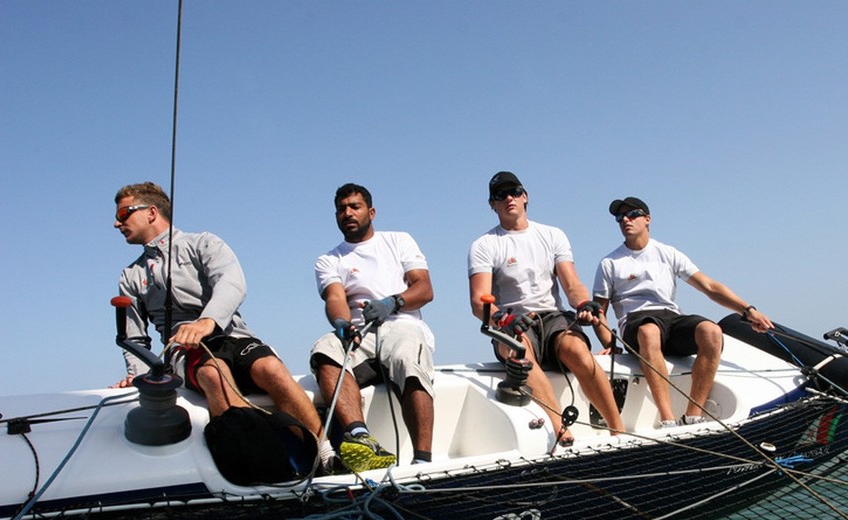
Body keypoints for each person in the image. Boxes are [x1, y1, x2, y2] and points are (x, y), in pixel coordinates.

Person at [111, 181, 335, 469]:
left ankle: (325, 454)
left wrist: (208, 321)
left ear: (151, 212)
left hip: (231, 334)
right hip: (184, 349)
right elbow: (135, 338)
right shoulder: (131, 276)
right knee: (215, 374)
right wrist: (138, 375)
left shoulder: (203, 243)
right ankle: (264, 465)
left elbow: (232, 283)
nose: (117, 223)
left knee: (273, 369)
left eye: (124, 214)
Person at [468, 171, 624, 444]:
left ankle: (618, 429)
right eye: (499, 195)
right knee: (519, 351)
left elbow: (572, 284)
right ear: (492, 205)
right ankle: (559, 425)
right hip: (513, 320)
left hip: (552, 317)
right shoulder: (484, 245)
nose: (508, 198)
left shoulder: (553, 235)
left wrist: (583, 304)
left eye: (514, 192)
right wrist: (502, 319)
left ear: (525, 197)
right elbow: (478, 300)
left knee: (577, 349)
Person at [591, 196, 774, 427]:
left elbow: (709, 286)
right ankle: (668, 419)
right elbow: (599, 311)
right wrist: (610, 343)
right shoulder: (610, 262)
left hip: (670, 318)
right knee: (649, 332)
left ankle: (692, 415)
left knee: (711, 331)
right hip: (635, 322)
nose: (625, 219)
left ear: (647, 219)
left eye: (633, 214)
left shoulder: (667, 253)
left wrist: (748, 311)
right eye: (620, 217)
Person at [310, 183, 435, 473]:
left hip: (401, 322)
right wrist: (341, 323)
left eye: (355, 206)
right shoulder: (329, 259)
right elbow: (336, 297)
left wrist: (393, 302)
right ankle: (361, 439)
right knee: (324, 350)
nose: (348, 213)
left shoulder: (399, 241)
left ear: (371, 212)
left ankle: (422, 461)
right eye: (341, 209)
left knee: (407, 358)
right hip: (358, 333)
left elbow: (425, 289)